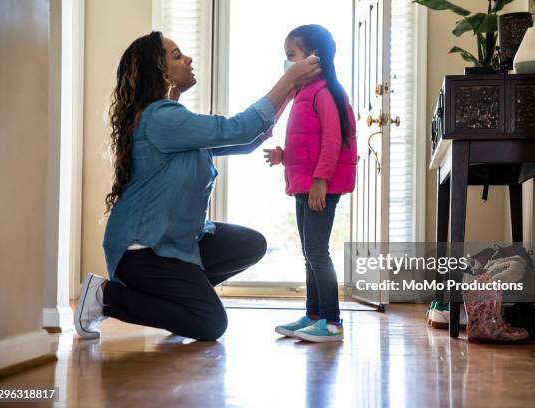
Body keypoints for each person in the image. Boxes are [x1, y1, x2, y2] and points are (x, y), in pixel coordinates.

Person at [74, 31, 321, 340]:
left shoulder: (175, 122)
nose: (188, 59)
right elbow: (238, 128)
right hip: (142, 250)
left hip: (175, 241)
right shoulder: (161, 119)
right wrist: (289, 80)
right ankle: (105, 295)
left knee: (250, 244)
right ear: (159, 71)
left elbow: (246, 140)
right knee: (210, 324)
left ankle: (178, 304)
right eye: (177, 56)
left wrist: (292, 87)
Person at [264, 25, 357, 342]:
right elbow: (308, 143)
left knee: (317, 251)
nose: (287, 63)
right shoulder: (303, 93)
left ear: (314, 57)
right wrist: (283, 155)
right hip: (304, 182)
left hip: (320, 186)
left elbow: (332, 141)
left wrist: (320, 181)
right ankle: (313, 314)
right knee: (309, 252)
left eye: (291, 55)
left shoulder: (324, 91)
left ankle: (332, 322)